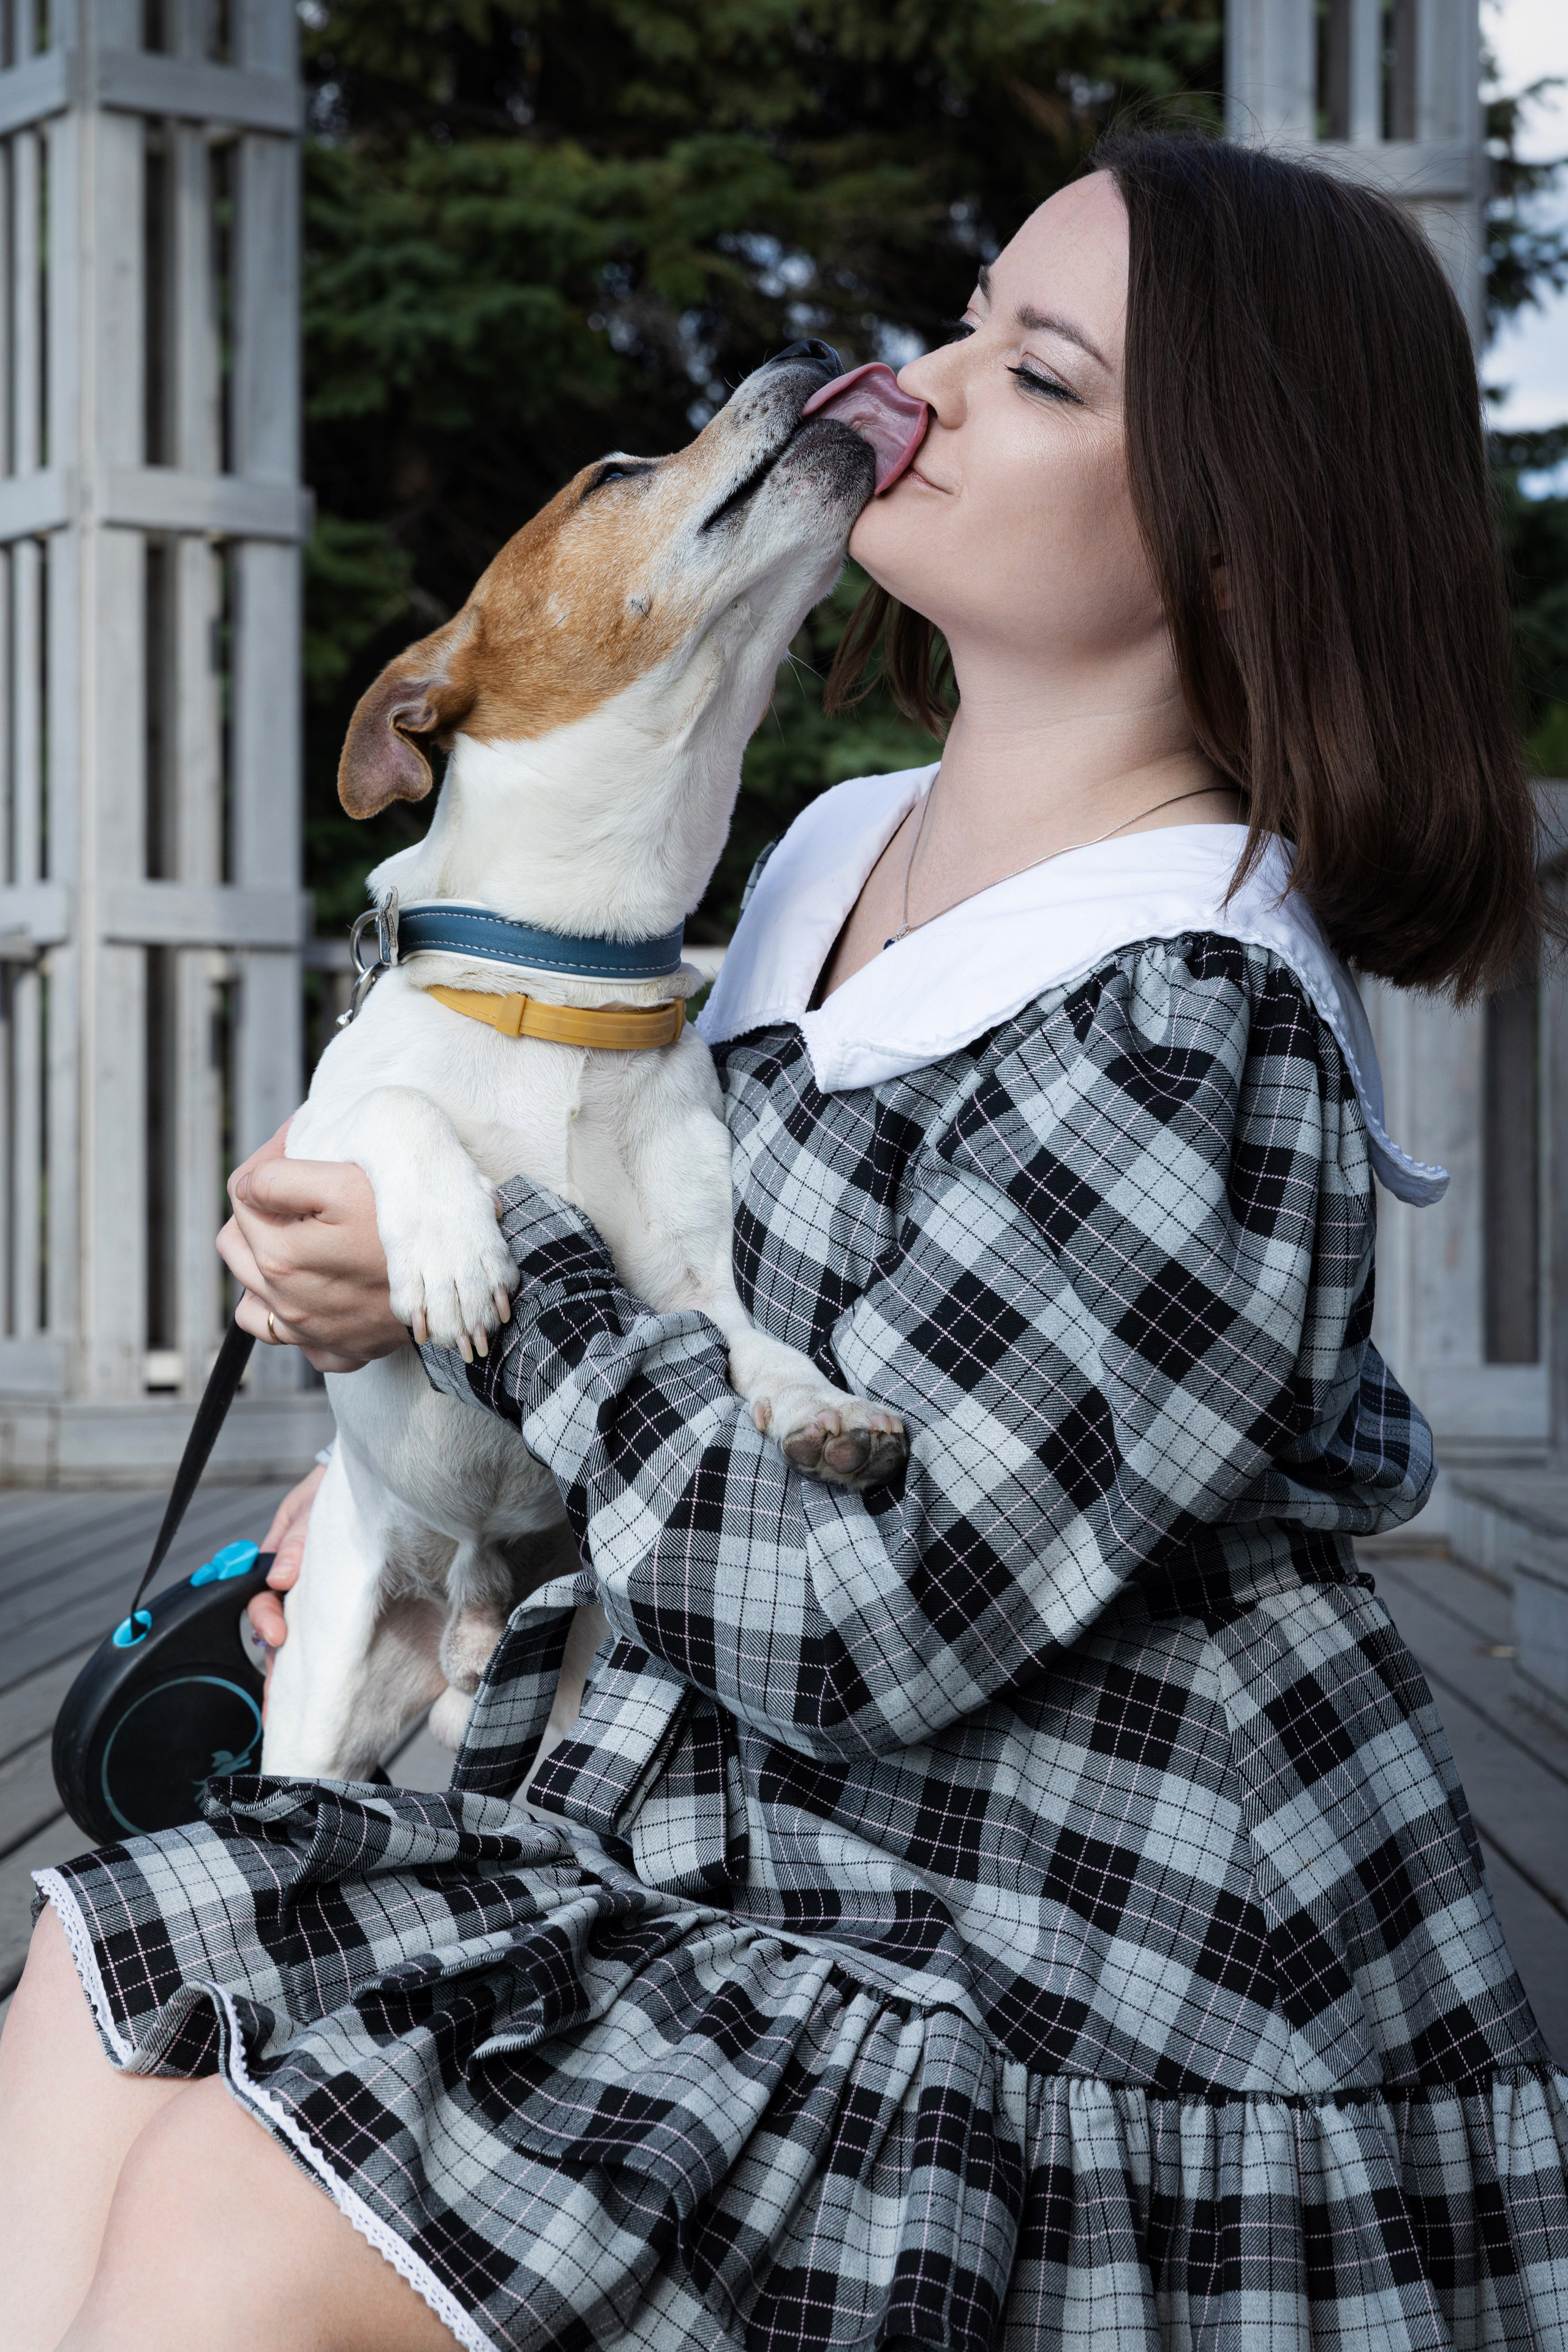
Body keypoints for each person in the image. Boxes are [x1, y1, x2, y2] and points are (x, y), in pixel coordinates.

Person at [3, 130, 1565, 2352]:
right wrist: (420, 1482)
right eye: (970, 314)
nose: (923, 379)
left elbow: (864, 1615)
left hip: (1079, 1956)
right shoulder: (827, 861)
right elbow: (697, 1379)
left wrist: (497, 1290)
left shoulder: (1187, 1021)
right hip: (720, 1831)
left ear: (1235, 521)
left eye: (1035, 374)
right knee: (97, 1977)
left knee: (227, 2227)